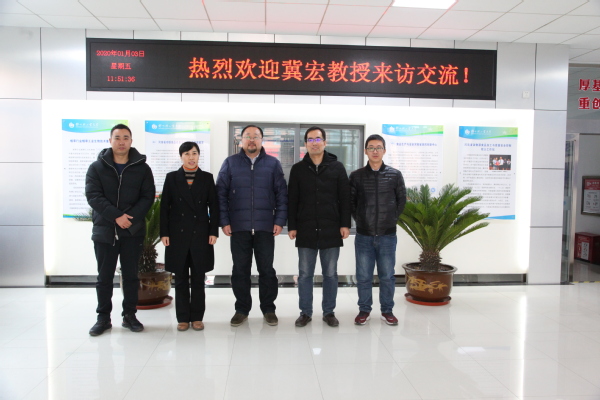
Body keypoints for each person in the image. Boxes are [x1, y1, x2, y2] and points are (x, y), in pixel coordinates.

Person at [85, 123, 155, 336]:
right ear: (110, 141)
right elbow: (93, 196)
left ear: (131, 141)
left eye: (126, 138)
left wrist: (128, 219)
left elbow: (147, 197)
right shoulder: (96, 168)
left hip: (132, 232)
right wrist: (116, 216)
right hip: (105, 231)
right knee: (104, 277)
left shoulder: (142, 169)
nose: (121, 142)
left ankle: (129, 315)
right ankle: (103, 318)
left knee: (131, 276)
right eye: (117, 138)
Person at [216, 125, 288, 327]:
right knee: (240, 271)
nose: (251, 140)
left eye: (255, 136)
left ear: (261, 140)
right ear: (241, 140)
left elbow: (282, 194)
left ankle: (268, 309)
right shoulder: (230, 163)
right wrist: (224, 221)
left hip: (265, 227)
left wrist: (279, 221)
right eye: (247, 136)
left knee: (267, 271)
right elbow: (220, 194)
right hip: (239, 227)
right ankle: (241, 309)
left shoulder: (273, 164)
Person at [288, 126, 351, 327]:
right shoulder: (298, 169)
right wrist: (292, 225)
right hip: (305, 228)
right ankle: (305, 312)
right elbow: (292, 200)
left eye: (318, 139)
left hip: (331, 228)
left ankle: (329, 312)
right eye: (310, 139)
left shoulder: (337, 167)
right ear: (305, 144)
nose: (314, 143)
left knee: (330, 274)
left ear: (325, 142)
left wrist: (345, 224)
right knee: (305, 274)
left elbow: (345, 198)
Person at [160, 142, 219, 332]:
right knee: (181, 278)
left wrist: (213, 231)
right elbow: (164, 207)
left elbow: (214, 207)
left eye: (194, 153)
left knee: (199, 278)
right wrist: (164, 233)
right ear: (181, 156)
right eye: (187, 153)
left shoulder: (207, 178)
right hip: (177, 234)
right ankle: (183, 318)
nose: (191, 157)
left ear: (199, 155)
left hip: (201, 234)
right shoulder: (171, 178)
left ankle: (197, 317)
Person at [349, 134, 406, 326]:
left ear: (384, 151)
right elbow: (351, 202)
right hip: (364, 235)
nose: (375, 151)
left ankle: (387, 310)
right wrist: (361, 220)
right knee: (363, 276)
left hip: (387, 235)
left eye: (378, 147)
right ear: (365, 151)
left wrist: (390, 219)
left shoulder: (394, 175)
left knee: (387, 276)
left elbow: (401, 201)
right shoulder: (356, 176)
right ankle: (364, 310)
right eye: (371, 147)